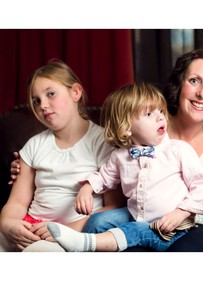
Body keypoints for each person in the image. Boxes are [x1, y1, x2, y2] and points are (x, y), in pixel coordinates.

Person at [9, 49, 203, 252]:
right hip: (142, 225)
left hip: (200, 229)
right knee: (118, 232)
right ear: (178, 86)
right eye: (194, 81)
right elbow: (103, 173)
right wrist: (29, 169)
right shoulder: (137, 131)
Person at [46, 82, 203, 252]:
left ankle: (86, 244)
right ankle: (85, 248)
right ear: (126, 127)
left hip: (172, 228)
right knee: (98, 221)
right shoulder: (120, 156)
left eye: (161, 111)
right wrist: (86, 189)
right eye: (149, 113)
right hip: (136, 216)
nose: (160, 117)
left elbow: (202, 186)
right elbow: (104, 177)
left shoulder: (178, 150)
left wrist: (181, 212)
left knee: (135, 230)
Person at [0, 60, 122, 252]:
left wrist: (65, 231)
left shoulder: (103, 142)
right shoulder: (34, 145)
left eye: (50, 94)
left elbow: (114, 208)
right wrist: (9, 224)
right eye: (36, 101)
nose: (43, 105)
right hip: (31, 226)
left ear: (75, 92)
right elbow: (16, 202)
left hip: (73, 234)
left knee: (39, 253)